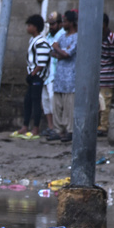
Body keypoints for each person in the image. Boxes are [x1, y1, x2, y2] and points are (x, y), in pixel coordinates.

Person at [13, 15, 51, 140]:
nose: (27, 28)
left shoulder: (41, 42)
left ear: (35, 27)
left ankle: (35, 129)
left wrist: (33, 74)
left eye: (29, 25)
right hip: (33, 76)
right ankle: (25, 126)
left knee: (35, 101)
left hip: (37, 77)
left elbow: (42, 62)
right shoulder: (33, 40)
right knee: (28, 101)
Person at [50, 10, 78, 143]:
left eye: (65, 21)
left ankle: (70, 131)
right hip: (59, 77)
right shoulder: (62, 37)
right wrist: (60, 51)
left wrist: (58, 49)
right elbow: (53, 53)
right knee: (57, 106)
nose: (63, 24)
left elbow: (68, 54)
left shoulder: (77, 37)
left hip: (70, 78)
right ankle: (58, 130)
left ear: (72, 22)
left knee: (69, 107)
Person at [98, 14, 114, 137]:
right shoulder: (98, 36)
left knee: (104, 103)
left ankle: (104, 126)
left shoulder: (111, 37)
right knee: (100, 103)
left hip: (107, 74)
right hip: (100, 74)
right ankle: (100, 124)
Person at [42, 12, 62, 139]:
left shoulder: (61, 36)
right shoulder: (48, 36)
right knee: (45, 102)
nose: (51, 27)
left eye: (53, 24)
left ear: (60, 24)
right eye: (50, 24)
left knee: (54, 102)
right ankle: (50, 127)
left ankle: (57, 128)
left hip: (56, 74)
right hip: (46, 74)